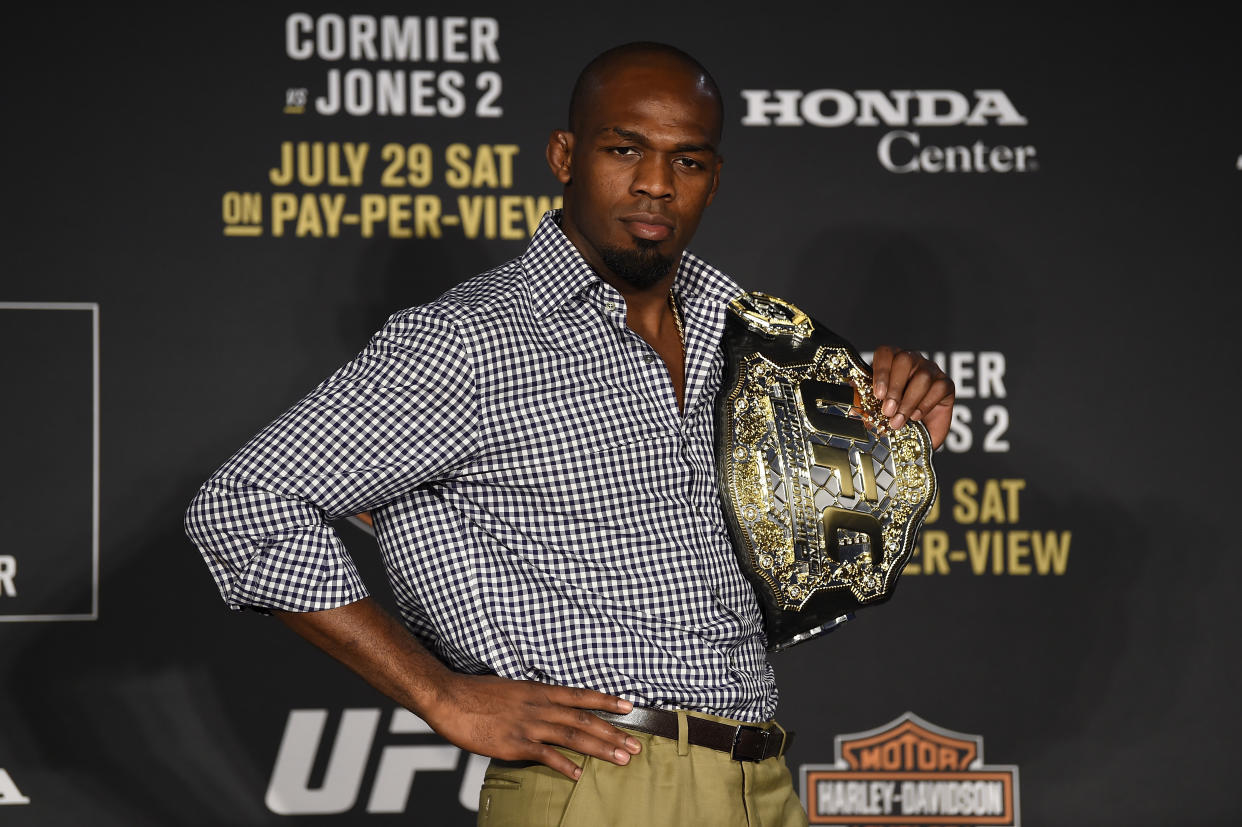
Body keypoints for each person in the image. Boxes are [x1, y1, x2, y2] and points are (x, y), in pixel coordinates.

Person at [185, 42, 954, 826]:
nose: (655, 183)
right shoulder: (474, 339)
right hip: (603, 781)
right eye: (625, 149)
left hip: (758, 779)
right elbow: (244, 502)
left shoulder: (750, 340)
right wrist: (437, 692)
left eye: (687, 162)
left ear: (713, 181)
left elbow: (790, 578)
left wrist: (893, 440)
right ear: (565, 155)